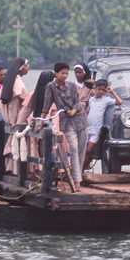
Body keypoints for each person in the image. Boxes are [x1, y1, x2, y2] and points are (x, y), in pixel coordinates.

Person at [39, 61, 88, 192]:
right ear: (55, 73)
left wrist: (74, 110)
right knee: (73, 148)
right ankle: (76, 181)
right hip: (66, 121)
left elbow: (78, 102)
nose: (65, 75)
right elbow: (46, 106)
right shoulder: (50, 87)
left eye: (67, 73)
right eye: (62, 73)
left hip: (80, 120)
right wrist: (41, 122)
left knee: (81, 151)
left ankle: (78, 177)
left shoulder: (71, 86)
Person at [83, 79, 122, 171]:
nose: (100, 91)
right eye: (99, 89)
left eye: (103, 90)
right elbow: (88, 112)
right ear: (95, 89)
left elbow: (119, 102)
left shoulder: (106, 100)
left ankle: (80, 171)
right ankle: (80, 171)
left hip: (96, 130)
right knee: (83, 151)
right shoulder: (91, 100)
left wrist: (112, 91)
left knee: (88, 151)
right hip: (87, 129)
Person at [0, 57, 30, 174]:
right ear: (20, 68)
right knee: (18, 142)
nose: (28, 68)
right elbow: (14, 105)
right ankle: (17, 170)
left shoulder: (13, 81)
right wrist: (15, 120)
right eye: (26, 66)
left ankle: (14, 169)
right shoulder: (17, 84)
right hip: (18, 118)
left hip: (18, 117)